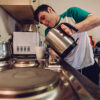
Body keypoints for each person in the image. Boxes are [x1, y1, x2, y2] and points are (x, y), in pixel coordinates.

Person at [34, 4, 100, 85]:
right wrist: (53, 53)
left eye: (43, 18)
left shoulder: (71, 13)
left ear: (50, 10)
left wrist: (72, 29)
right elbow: (53, 52)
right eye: (41, 22)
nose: (44, 22)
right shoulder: (48, 32)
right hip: (69, 71)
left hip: (88, 67)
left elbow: (97, 20)